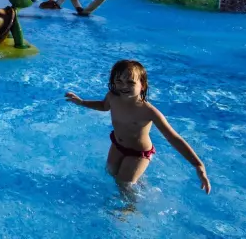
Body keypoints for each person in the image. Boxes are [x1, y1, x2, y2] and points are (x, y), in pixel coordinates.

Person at [64, 60, 210, 193]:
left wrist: (198, 165)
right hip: (117, 145)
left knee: (124, 185)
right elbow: (103, 106)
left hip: (138, 153)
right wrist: (82, 102)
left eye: (130, 82)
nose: (123, 86)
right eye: (119, 81)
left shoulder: (148, 111)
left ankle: (130, 208)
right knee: (111, 172)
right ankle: (139, 181)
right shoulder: (112, 97)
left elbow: (173, 138)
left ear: (142, 85)